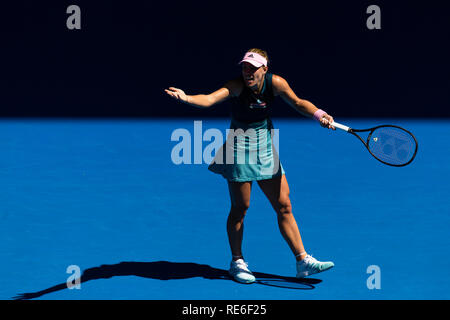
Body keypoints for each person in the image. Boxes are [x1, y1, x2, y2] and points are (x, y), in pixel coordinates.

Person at [165, 48, 335, 284]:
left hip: (264, 146)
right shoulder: (236, 86)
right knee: (240, 208)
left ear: (265, 69)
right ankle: (237, 262)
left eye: (253, 68)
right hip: (239, 148)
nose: (247, 72)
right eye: (245, 67)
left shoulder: (276, 83)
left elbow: (297, 102)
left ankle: (302, 261)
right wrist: (187, 98)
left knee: (284, 204)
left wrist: (320, 115)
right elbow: (210, 98)